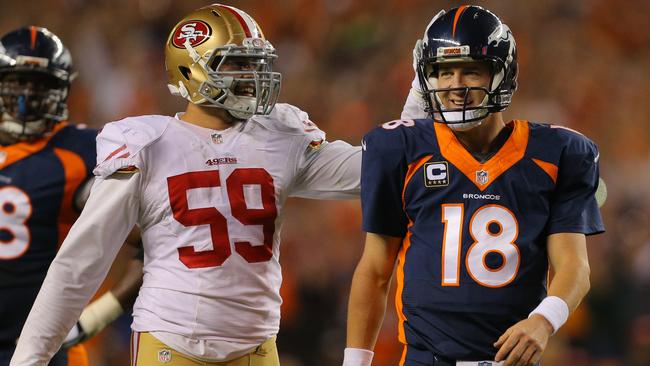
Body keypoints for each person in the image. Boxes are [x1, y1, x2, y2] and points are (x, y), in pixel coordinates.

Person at [11, 4, 361, 366]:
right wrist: (30, 359)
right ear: (191, 68)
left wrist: (419, 102)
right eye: (238, 64)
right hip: (172, 345)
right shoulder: (145, 143)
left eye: (256, 63)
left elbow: (373, 172)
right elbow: (81, 261)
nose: (254, 75)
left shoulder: (276, 136)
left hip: (257, 347)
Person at [344, 5, 604, 366]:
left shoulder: (558, 153)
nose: (456, 86)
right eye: (444, 72)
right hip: (427, 358)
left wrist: (544, 321)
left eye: (471, 71)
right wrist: (355, 362)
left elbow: (575, 267)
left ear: (501, 74)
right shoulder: (400, 150)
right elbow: (374, 270)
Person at [0, 26, 143, 366]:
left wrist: (95, 317)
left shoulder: (81, 153)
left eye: (42, 85)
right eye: (18, 81)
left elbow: (157, 243)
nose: (28, 96)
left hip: (39, 351)